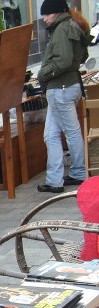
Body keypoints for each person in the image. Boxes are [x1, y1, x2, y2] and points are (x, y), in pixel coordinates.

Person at [37, 0, 90, 193]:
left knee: (71, 132)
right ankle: (55, 179)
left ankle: (75, 173)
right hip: (69, 85)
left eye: (47, 14)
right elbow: (81, 57)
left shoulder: (62, 29)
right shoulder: (73, 25)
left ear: (57, 13)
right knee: (51, 134)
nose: (44, 18)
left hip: (61, 88)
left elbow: (63, 60)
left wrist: (42, 74)